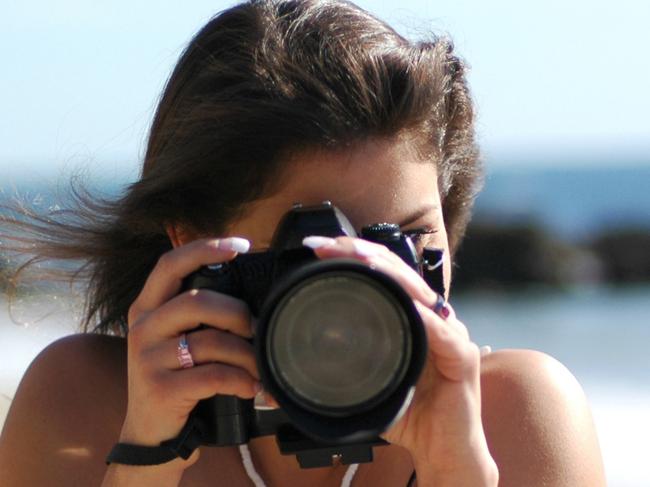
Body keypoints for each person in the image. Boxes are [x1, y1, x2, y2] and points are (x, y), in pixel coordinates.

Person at [0, 0, 606, 485]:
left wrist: (458, 475)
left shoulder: (520, 417)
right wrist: (145, 464)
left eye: (408, 239)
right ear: (191, 244)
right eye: (314, 249)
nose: (370, 282)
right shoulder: (83, 405)